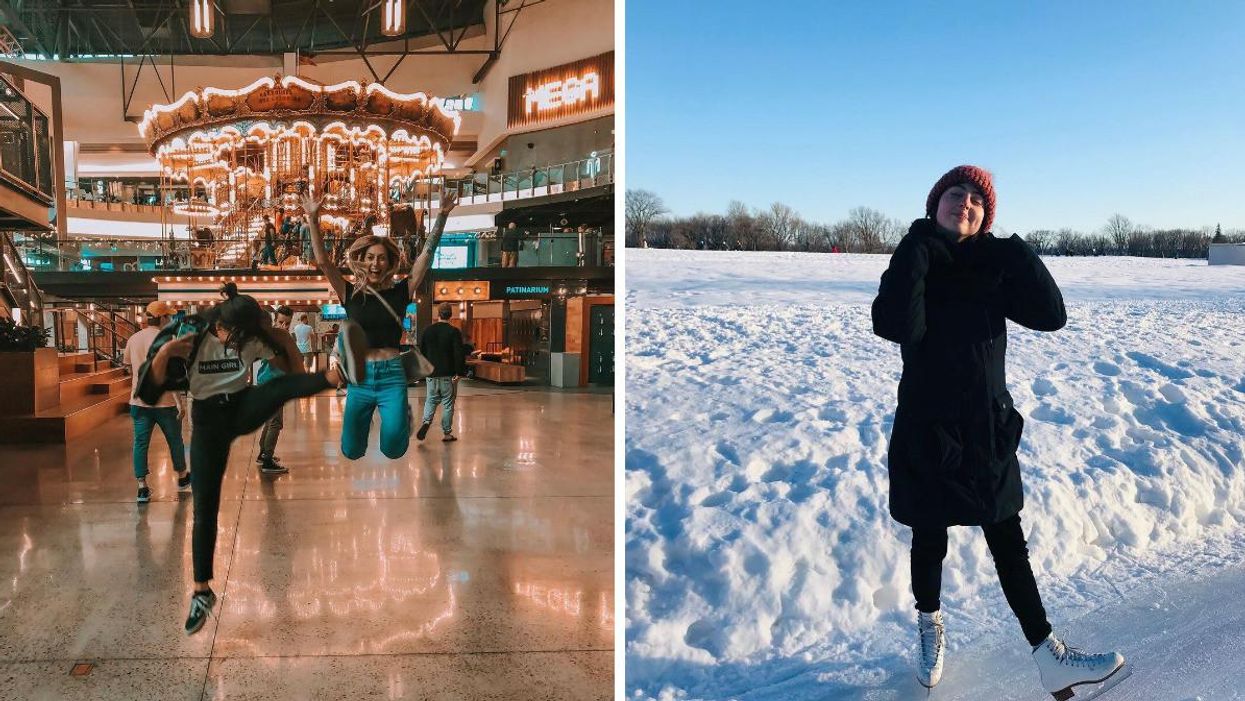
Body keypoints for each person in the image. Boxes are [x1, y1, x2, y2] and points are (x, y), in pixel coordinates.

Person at [871, 165, 1125, 698]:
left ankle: (1049, 655)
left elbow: (1052, 315)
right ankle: (929, 626)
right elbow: (898, 325)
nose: (964, 203)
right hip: (927, 428)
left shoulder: (991, 267)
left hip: (985, 428)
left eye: (976, 201)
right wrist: (917, 252)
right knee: (929, 535)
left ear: (986, 217)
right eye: (954, 194)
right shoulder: (914, 257)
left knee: (1008, 540)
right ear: (935, 202)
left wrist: (1017, 253)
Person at [134, 282, 367, 635]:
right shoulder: (189, 332)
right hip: (208, 422)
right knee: (205, 507)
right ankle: (201, 592)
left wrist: (282, 339)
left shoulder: (254, 337)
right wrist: (167, 352)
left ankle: (339, 375)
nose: (232, 342)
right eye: (228, 333)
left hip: (241, 406)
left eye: (240, 337)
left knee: (273, 389)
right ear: (218, 322)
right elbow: (148, 392)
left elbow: (292, 375)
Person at [301, 189, 458, 460]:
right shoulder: (350, 293)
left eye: (381, 257)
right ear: (362, 261)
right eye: (370, 257)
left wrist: (441, 216)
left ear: (389, 262)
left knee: (393, 449)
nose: (376, 263)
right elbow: (324, 262)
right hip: (359, 379)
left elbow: (425, 258)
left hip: (392, 376)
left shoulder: (400, 292)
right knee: (351, 451)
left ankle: (401, 421)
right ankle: (377, 425)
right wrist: (313, 219)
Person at [123, 300, 189, 503]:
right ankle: (182, 477)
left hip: (139, 402)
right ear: (161, 319)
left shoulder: (133, 339)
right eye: (168, 317)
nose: (170, 320)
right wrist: (181, 402)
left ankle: (142, 486)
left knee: (140, 443)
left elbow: (128, 367)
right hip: (165, 402)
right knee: (175, 440)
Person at [417, 303, 466, 442]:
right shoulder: (453, 332)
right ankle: (447, 433)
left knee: (431, 400)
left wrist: (425, 370)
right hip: (447, 374)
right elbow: (458, 353)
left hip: (431, 373)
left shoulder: (428, 331)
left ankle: (426, 421)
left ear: (438, 314)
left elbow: (422, 352)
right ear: (450, 315)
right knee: (448, 403)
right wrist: (459, 372)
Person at [255, 305, 294, 475]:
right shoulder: (276, 339)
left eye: (287, 323)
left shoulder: (272, 337)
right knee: (276, 422)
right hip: (273, 384)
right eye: (281, 322)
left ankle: (263, 454)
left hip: (265, 381)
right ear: (275, 320)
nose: (284, 326)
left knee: (269, 420)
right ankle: (267, 460)